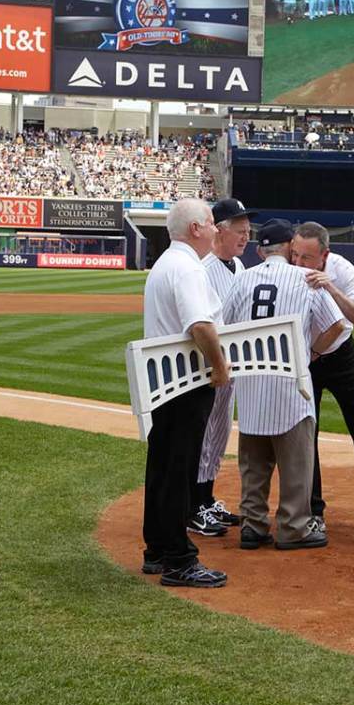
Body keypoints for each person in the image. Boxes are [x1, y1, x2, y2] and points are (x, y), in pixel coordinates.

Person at [222, 219, 346, 551]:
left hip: (250, 384)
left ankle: (252, 525)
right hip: (292, 385)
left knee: (253, 464)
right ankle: (293, 527)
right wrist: (315, 351)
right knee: (297, 465)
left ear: (261, 250)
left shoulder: (242, 279)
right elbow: (339, 325)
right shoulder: (305, 280)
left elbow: (225, 327)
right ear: (290, 247)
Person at [140, 198, 231, 587]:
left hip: (164, 381)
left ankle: (158, 549)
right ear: (196, 229)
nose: (215, 230)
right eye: (211, 224)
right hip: (188, 381)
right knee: (179, 469)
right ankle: (179, 558)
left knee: (162, 465)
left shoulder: (165, 263)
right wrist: (220, 366)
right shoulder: (189, 268)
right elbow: (201, 326)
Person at [290, 222, 354, 533]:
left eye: (307, 258)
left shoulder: (343, 270)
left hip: (340, 354)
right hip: (305, 357)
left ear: (324, 255)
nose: (299, 263)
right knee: (308, 432)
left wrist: (330, 288)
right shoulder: (286, 269)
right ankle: (314, 509)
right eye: (295, 255)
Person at [188, 197, 256, 536]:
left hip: (230, 367)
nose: (246, 237)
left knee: (218, 434)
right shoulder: (205, 268)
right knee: (203, 434)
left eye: (248, 231)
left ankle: (206, 497)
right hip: (209, 368)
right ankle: (194, 504)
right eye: (240, 231)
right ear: (220, 232)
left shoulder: (238, 267)